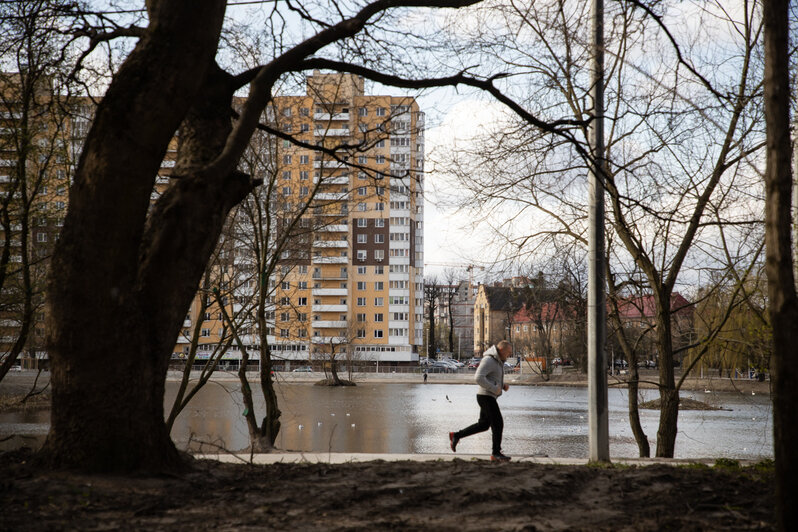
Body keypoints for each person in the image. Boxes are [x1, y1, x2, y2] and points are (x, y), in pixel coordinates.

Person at [449, 340, 512, 462]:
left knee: (483, 425)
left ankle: (456, 435)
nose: (509, 355)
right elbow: (478, 377)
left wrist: (502, 385)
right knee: (498, 423)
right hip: (485, 397)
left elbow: (491, 378)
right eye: (508, 352)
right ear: (501, 350)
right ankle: (496, 453)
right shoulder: (489, 360)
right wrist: (494, 388)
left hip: (488, 396)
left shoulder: (497, 361)